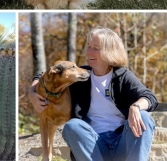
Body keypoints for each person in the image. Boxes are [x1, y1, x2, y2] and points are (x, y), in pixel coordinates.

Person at [28, 27, 158, 161]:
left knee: (144, 116)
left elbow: (150, 98)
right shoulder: (80, 76)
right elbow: (45, 75)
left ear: (109, 51)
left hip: (122, 143)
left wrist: (135, 107)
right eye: (89, 46)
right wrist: (32, 92)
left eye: (95, 48)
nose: (89, 51)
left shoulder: (123, 76)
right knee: (73, 126)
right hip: (93, 145)